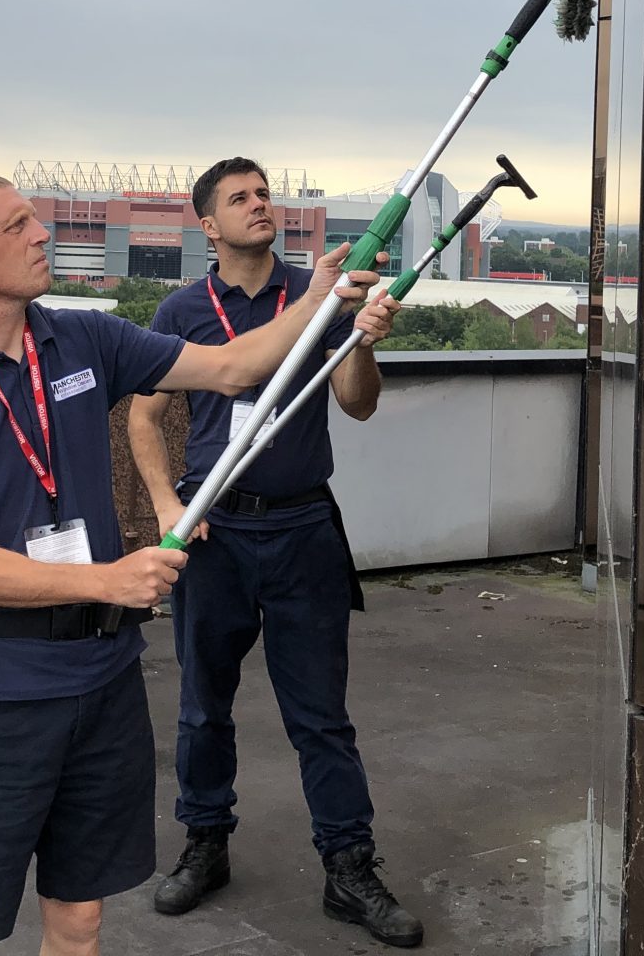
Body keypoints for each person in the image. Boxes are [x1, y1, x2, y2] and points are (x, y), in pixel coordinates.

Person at [0, 173, 393, 956]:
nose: (43, 233)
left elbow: (233, 368)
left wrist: (317, 295)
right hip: (8, 687)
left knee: (80, 919)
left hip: (105, 676)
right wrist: (106, 580)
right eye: (18, 226)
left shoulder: (82, 339)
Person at [130, 157, 424, 948]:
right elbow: (142, 419)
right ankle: (205, 845)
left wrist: (360, 341)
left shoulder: (317, 294)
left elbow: (358, 405)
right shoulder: (181, 310)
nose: (260, 206)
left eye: (265, 194)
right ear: (208, 225)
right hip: (217, 533)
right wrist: (170, 510)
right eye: (240, 198)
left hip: (301, 533)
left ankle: (349, 867)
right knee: (202, 708)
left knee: (321, 717)